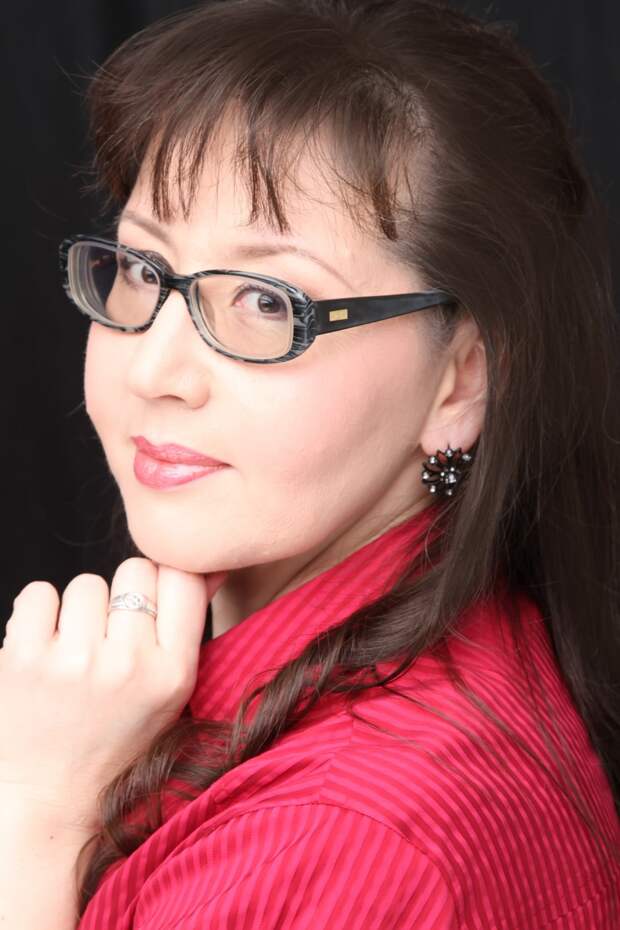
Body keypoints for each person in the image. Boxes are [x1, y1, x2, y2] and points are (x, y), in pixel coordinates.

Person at [1, 0, 619, 927]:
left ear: (461, 382)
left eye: (267, 302)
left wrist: (35, 812)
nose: (155, 371)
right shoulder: (437, 647)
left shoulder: (342, 839)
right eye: (142, 269)